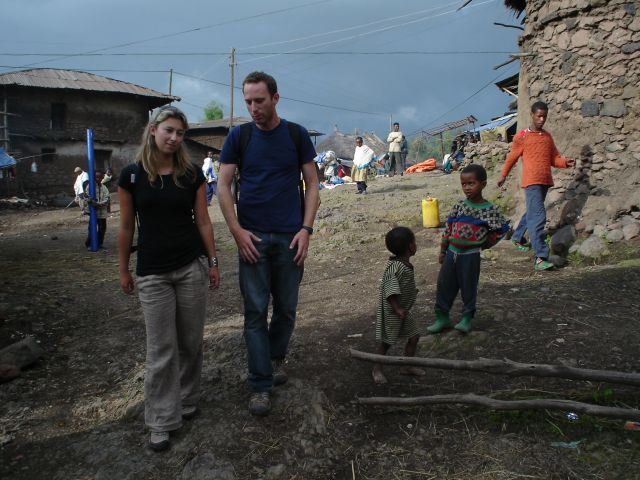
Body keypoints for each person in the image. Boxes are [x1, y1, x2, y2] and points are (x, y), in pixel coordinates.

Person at [117, 105, 220, 451]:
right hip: (152, 273)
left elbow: (204, 221)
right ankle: (161, 420)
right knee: (161, 348)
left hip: (191, 266)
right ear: (153, 131)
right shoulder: (131, 176)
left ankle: (187, 399)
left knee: (191, 342)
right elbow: (126, 226)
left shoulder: (191, 174)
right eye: (169, 131)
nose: (175, 138)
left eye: (180, 133)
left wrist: (214, 260)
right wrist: (122, 269)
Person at [217, 71, 320, 417]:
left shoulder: (296, 135)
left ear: (276, 98)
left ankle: (274, 360)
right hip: (253, 239)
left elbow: (313, 184)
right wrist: (236, 231)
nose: (253, 108)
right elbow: (223, 186)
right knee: (255, 312)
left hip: (291, 237)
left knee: (287, 310)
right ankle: (260, 383)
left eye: (259, 100)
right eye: (248, 101)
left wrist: (306, 229)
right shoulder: (238, 137)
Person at [427, 164, 509, 334]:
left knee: (468, 286)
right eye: (464, 184)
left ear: (483, 184)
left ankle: (466, 318)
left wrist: (485, 243)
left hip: (470, 255)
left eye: (471, 183)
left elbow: (502, 229)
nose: (467, 188)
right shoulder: (459, 206)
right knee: (444, 284)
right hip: (452, 252)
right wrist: (443, 250)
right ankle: (442, 317)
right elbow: (449, 229)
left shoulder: (489, 210)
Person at [498, 101, 575, 271]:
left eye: (544, 116)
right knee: (538, 217)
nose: (542, 119)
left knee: (533, 212)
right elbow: (512, 158)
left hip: (545, 181)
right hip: (531, 182)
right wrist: (503, 175)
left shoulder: (547, 137)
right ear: (532, 115)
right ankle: (540, 257)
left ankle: (517, 237)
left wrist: (565, 162)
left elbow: (554, 158)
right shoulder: (522, 137)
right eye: (539, 116)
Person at [371, 226, 425, 385]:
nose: (416, 244)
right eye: (414, 242)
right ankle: (376, 369)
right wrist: (397, 308)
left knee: (414, 336)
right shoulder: (395, 267)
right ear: (410, 246)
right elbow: (389, 288)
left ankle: (406, 366)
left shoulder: (404, 264)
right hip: (393, 312)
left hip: (403, 311)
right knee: (387, 342)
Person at [84, 169, 110, 250]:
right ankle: (89, 243)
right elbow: (86, 196)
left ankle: (100, 243)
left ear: (102, 178)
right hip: (93, 211)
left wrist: (99, 204)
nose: (98, 179)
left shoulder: (104, 187)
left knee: (102, 228)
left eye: (100, 177)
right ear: (94, 177)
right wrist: (91, 201)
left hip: (102, 212)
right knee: (92, 227)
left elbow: (107, 198)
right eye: (96, 177)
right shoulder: (90, 186)